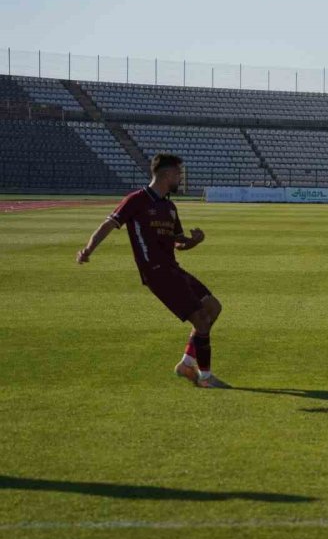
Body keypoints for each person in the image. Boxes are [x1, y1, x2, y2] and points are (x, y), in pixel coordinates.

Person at [76, 153, 229, 388]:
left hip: (172, 268)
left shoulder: (169, 206)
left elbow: (178, 242)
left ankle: (186, 364)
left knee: (213, 308)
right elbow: (109, 223)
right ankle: (205, 378)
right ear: (167, 174)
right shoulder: (137, 200)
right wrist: (88, 249)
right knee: (200, 320)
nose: (181, 178)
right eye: (178, 174)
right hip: (156, 272)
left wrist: (194, 241)